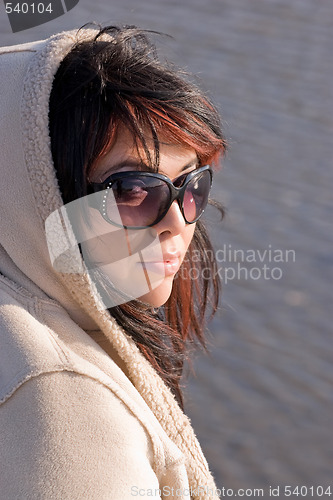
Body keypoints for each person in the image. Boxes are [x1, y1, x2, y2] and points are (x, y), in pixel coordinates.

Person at [0, 24, 226, 499]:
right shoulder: (68, 409)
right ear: (36, 191)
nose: (178, 224)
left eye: (192, 184)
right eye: (132, 190)